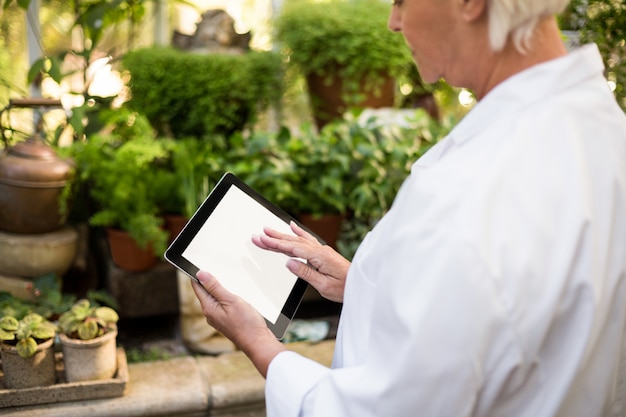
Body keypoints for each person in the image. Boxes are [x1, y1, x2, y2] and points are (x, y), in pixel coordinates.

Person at [191, 0, 626, 415]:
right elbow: (512, 323)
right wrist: (362, 285)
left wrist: (258, 343)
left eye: (401, 1)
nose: (393, 23)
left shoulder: (472, 189)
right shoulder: (605, 133)